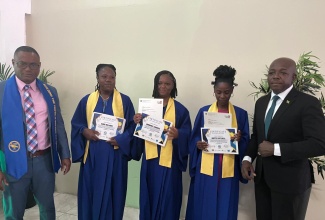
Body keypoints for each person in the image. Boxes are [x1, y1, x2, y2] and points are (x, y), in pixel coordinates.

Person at [241, 57, 325, 220]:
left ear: (294, 77)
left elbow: (319, 144)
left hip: (291, 182)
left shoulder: (307, 103)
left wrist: (276, 149)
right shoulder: (261, 103)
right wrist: (246, 159)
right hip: (263, 179)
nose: (276, 76)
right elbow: (257, 137)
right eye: (271, 72)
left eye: (283, 72)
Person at [0, 46, 71, 219]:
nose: (28, 69)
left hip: (43, 161)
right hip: (12, 161)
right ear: (13, 63)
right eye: (22, 64)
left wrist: (65, 154)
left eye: (33, 65)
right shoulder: (1, 91)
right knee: (14, 212)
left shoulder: (49, 92)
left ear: (39, 66)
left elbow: (58, 125)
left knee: (47, 207)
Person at [71, 64, 135, 220]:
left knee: (115, 195)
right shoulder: (86, 101)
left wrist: (121, 139)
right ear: (97, 78)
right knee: (91, 193)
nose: (108, 80)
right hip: (92, 156)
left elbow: (132, 128)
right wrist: (84, 131)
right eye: (104, 76)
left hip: (115, 157)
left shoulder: (125, 101)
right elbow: (77, 124)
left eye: (112, 77)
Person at [186, 65, 249, 220]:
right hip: (207, 167)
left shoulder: (240, 114)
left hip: (228, 168)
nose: (222, 96)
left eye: (226, 92)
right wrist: (198, 144)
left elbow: (247, 140)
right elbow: (194, 137)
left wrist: (240, 139)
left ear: (232, 91)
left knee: (225, 206)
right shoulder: (204, 111)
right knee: (204, 204)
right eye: (218, 92)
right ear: (214, 90)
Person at [133, 70, 191, 220]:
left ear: (173, 86)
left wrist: (179, 134)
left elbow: (188, 134)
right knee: (149, 196)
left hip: (169, 163)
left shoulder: (181, 110)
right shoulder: (147, 107)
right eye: (160, 83)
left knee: (169, 199)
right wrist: (138, 121)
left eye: (167, 83)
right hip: (150, 161)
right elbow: (140, 133)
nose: (163, 86)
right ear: (155, 85)